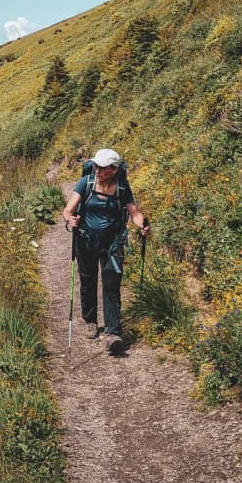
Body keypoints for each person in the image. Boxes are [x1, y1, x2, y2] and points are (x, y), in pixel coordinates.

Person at [61, 148, 150, 354]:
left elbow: (134, 211)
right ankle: (90, 320)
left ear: (114, 169)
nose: (97, 170)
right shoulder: (87, 182)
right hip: (85, 240)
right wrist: (70, 219)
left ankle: (112, 332)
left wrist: (142, 225)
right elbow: (68, 210)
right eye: (96, 166)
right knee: (88, 279)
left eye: (102, 167)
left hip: (113, 243)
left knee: (111, 284)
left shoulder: (121, 186)